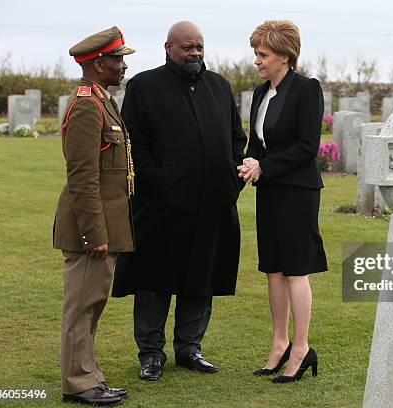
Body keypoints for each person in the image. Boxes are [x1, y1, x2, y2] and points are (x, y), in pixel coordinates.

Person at [112, 21, 247, 381]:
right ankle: (151, 354)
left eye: (200, 47)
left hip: (211, 207)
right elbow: (134, 146)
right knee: (155, 280)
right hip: (162, 208)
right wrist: (161, 184)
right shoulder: (144, 86)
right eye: (188, 47)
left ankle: (190, 349)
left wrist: (231, 182)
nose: (195, 54)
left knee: (199, 282)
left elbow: (237, 140)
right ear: (168, 48)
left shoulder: (219, 86)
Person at [237, 20, 327, 383]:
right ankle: (279, 344)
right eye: (256, 53)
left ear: (285, 57)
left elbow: (308, 146)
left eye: (262, 54)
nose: (256, 61)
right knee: (273, 269)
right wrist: (247, 162)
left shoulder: (307, 90)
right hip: (271, 190)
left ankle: (302, 347)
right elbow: (259, 143)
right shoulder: (261, 94)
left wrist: (265, 165)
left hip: (298, 192)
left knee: (294, 270)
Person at [53, 26, 135, 405]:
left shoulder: (101, 99)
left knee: (92, 305)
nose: (123, 66)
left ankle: (88, 375)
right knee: (81, 307)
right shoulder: (87, 104)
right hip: (90, 229)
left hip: (103, 225)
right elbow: (82, 177)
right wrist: (94, 234)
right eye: (118, 59)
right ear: (100, 64)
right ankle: (78, 383)